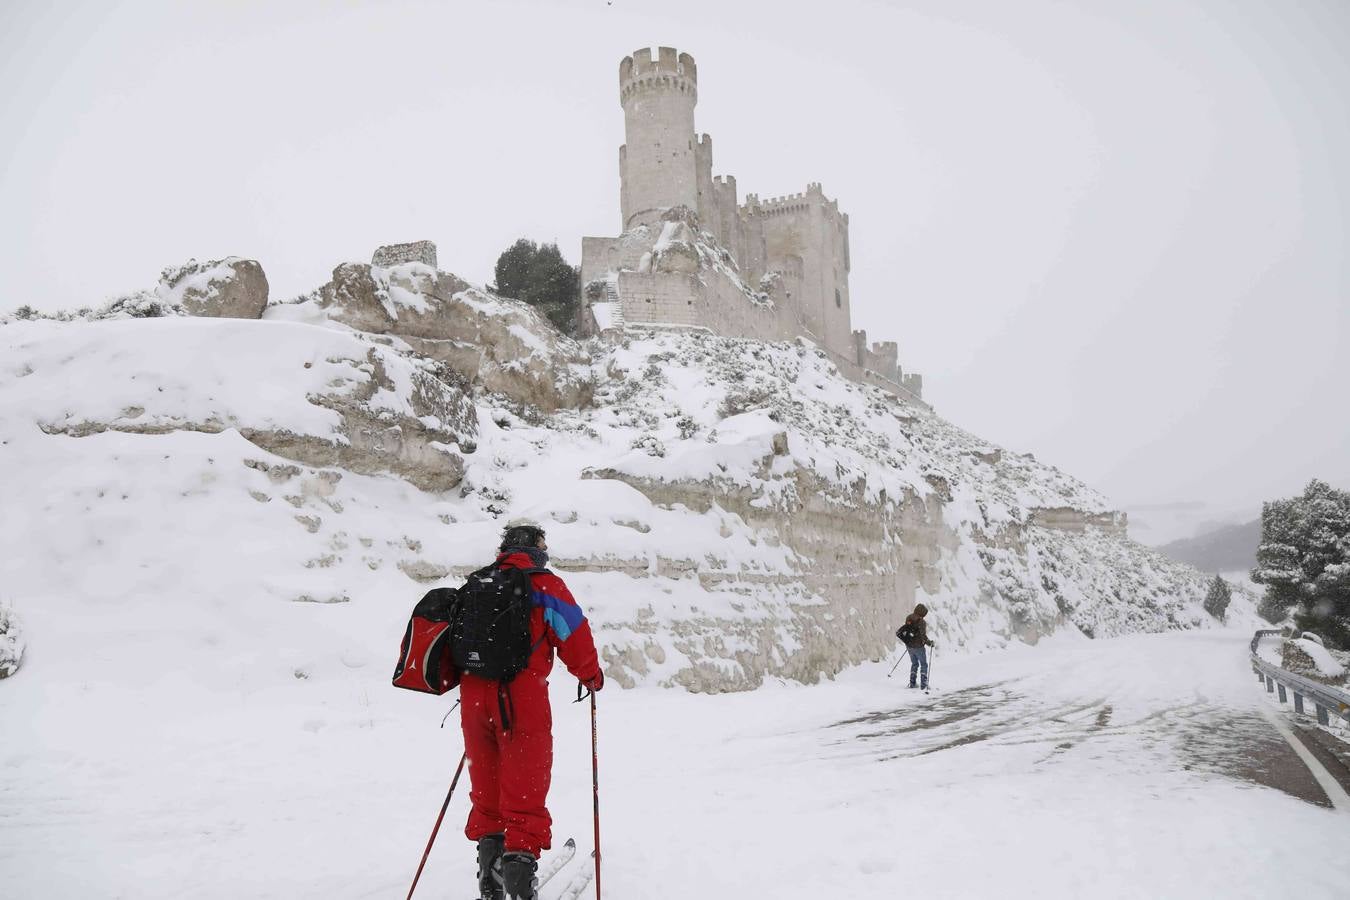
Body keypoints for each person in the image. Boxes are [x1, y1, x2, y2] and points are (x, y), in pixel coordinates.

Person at [461, 524, 604, 900]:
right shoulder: (546, 586)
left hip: (474, 701)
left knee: (487, 790)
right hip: (522, 703)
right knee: (524, 793)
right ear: (538, 549)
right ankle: (521, 885)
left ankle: (489, 882)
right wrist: (591, 676)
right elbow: (575, 636)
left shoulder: (478, 582)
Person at [901, 603, 935, 689]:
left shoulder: (908, 617)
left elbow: (907, 630)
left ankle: (912, 683)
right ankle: (924, 685)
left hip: (909, 646)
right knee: (924, 664)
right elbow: (923, 636)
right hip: (918, 647)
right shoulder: (922, 622)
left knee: (914, 664)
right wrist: (929, 643)